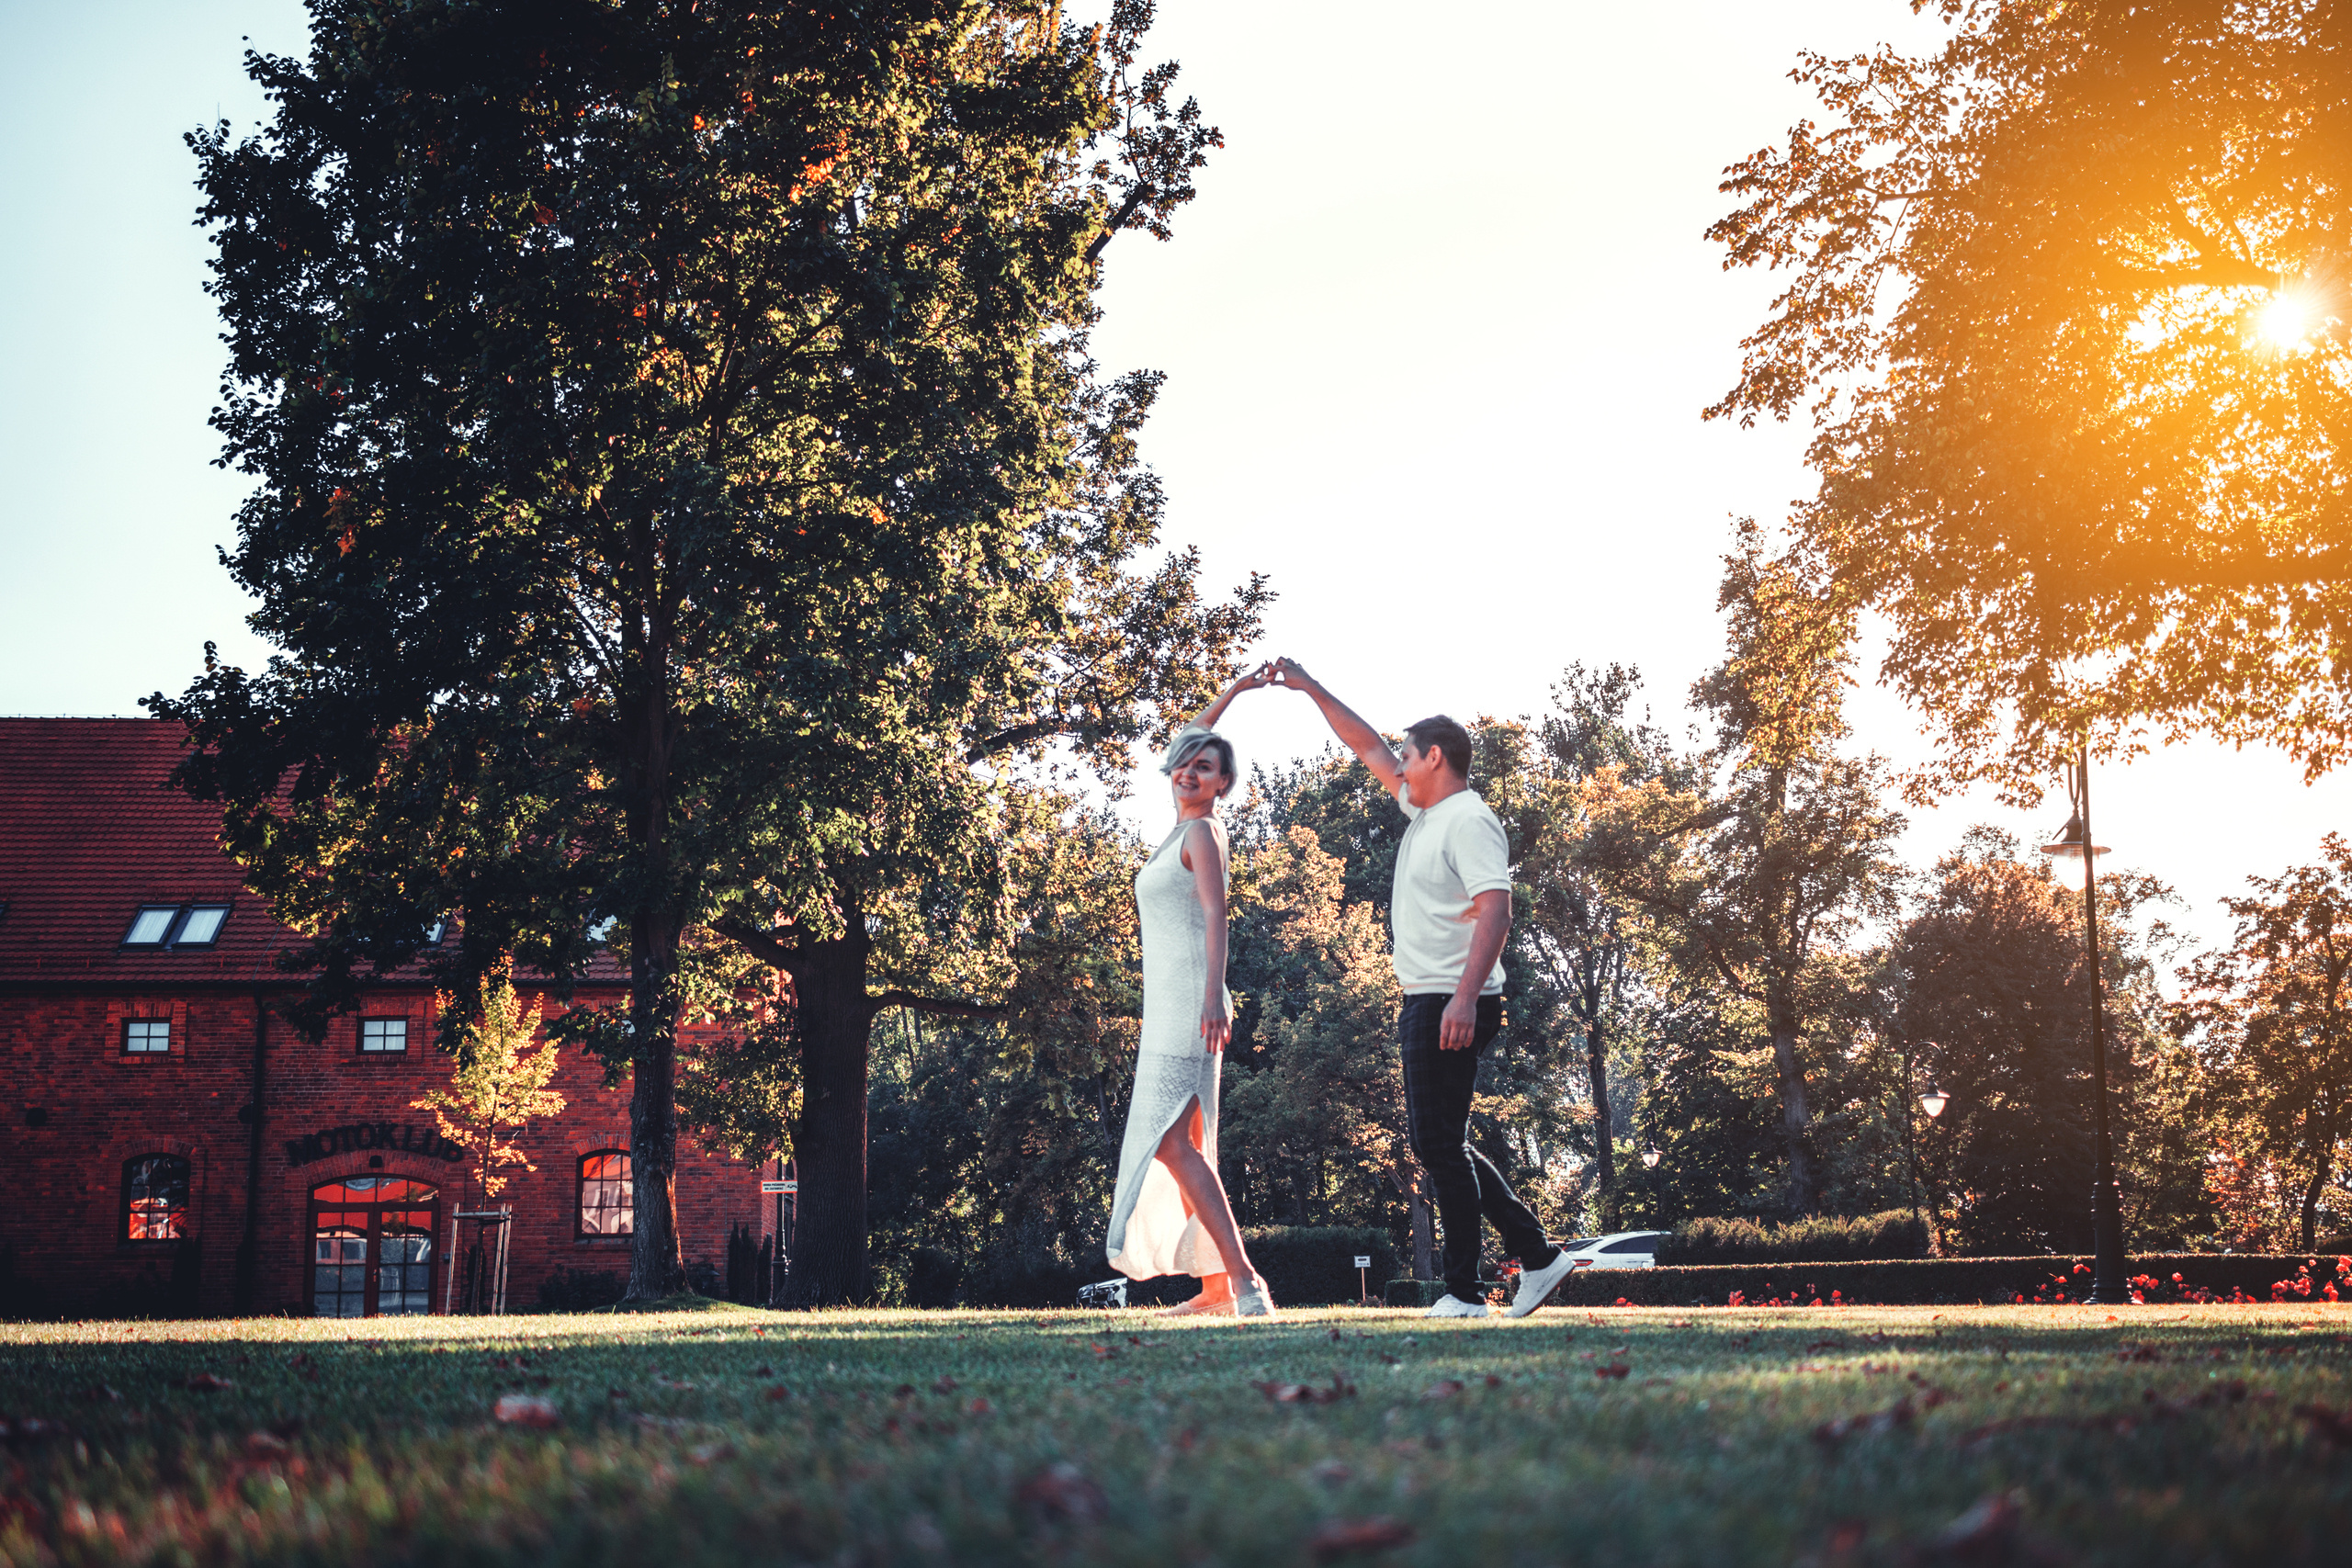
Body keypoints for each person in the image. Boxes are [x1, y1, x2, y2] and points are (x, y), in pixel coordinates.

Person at [1271, 657, 1576, 1319]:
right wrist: (1310, 688)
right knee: (1443, 1142)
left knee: (1437, 1143)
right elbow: (1365, 746)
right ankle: (1539, 1254)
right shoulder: (1425, 811)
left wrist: (1466, 997)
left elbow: (1497, 908)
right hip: (1430, 997)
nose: (1398, 764)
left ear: (1435, 756)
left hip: (1451, 997)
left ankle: (1466, 1292)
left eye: (1409, 753)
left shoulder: (1468, 818)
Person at [1104, 668, 1276, 1318]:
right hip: (1166, 1009)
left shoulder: (1203, 833)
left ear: (1223, 784)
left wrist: (1214, 994)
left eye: (1207, 768)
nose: (1191, 772)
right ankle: (1212, 1290)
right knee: (1191, 1147)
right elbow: (1189, 734)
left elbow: (1216, 914)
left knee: (1174, 1144)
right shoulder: (1176, 832)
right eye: (1188, 765)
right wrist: (1234, 688)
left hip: (1189, 1007)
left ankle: (1246, 1280)